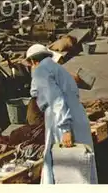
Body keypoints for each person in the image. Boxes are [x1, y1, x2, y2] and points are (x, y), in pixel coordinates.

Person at [26, 44, 97, 184]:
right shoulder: (58, 68)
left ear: (33, 61)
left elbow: (56, 99)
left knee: (66, 166)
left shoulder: (41, 70)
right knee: (83, 166)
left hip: (63, 119)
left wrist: (65, 129)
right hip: (77, 117)